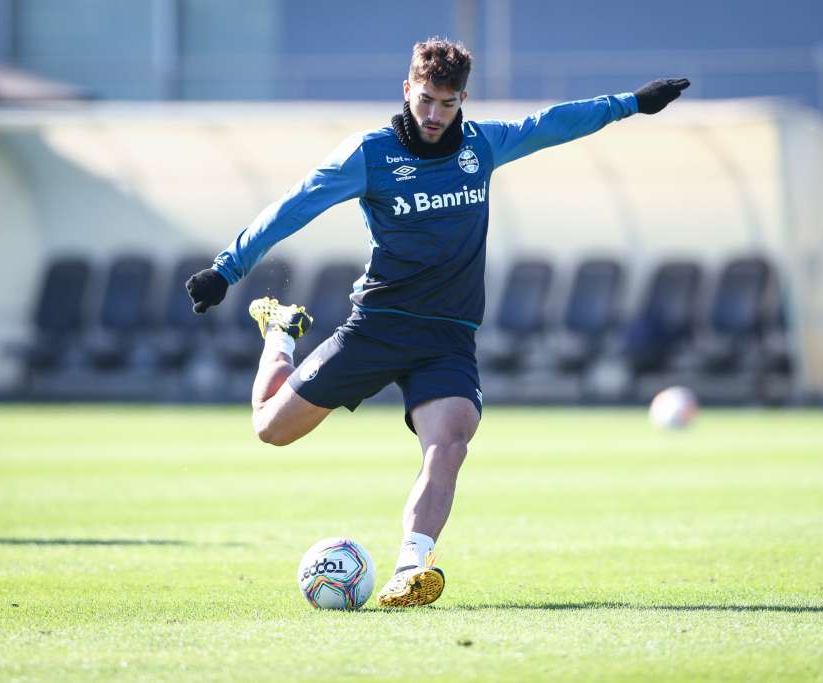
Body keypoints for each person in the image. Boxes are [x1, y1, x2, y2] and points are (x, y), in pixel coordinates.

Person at [186, 37, 689, 608]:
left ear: (462, 100)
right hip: (377, 326)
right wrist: (226, 269)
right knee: (270, 429)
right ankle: (280, 331)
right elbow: (294, 205)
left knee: (449, 442)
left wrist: (631, 103)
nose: (433, 114)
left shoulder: (483, 145)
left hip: (447, 338)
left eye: (447, 103)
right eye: (425, 99)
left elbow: (553, 124)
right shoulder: (370, 155)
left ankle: (410, 567)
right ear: (407, 90)